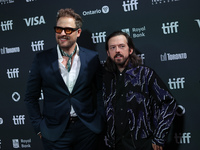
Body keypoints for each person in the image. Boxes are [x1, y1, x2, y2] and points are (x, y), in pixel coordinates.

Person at [24, 8, 105, 150]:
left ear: (78, 32)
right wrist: (39, 127)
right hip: (54, 132)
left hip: (87, 129)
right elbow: (30, 97)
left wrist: (99, 119)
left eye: (68, 30)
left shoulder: (92, 57)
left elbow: (100, 91)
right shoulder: (42, 59)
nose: (62, 33)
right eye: (58, 29)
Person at [103, 31, 177, 150]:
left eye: (122, 46)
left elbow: (169, 103)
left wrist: (159, 136)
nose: (117, 50)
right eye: (113, 47)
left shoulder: (145, 74)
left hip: (143, 144)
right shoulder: (105, 78)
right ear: (108, 52)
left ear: (130, 50)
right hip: (115, 144)